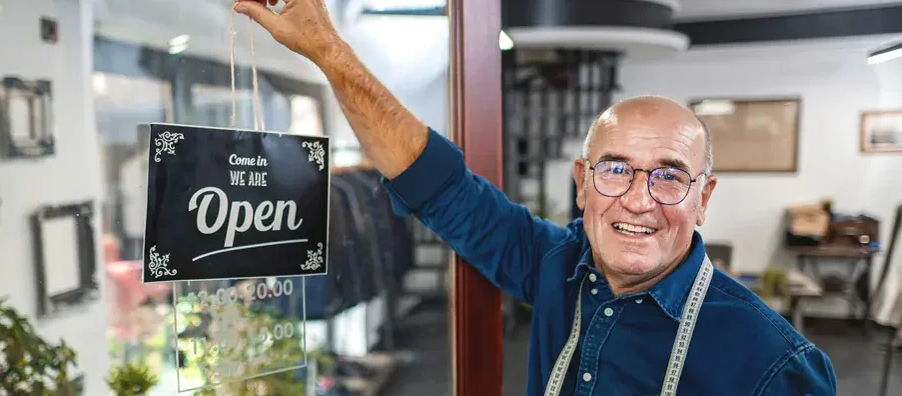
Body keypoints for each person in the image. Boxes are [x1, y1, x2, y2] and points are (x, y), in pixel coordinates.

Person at [233, 0, 838, 394]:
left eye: (669, 175)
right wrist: (328, 52)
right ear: (581, 182)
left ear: (703, 198)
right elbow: (438, 184)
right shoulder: (556, 266)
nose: (637, 199)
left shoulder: (773, 364)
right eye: (616, 169)